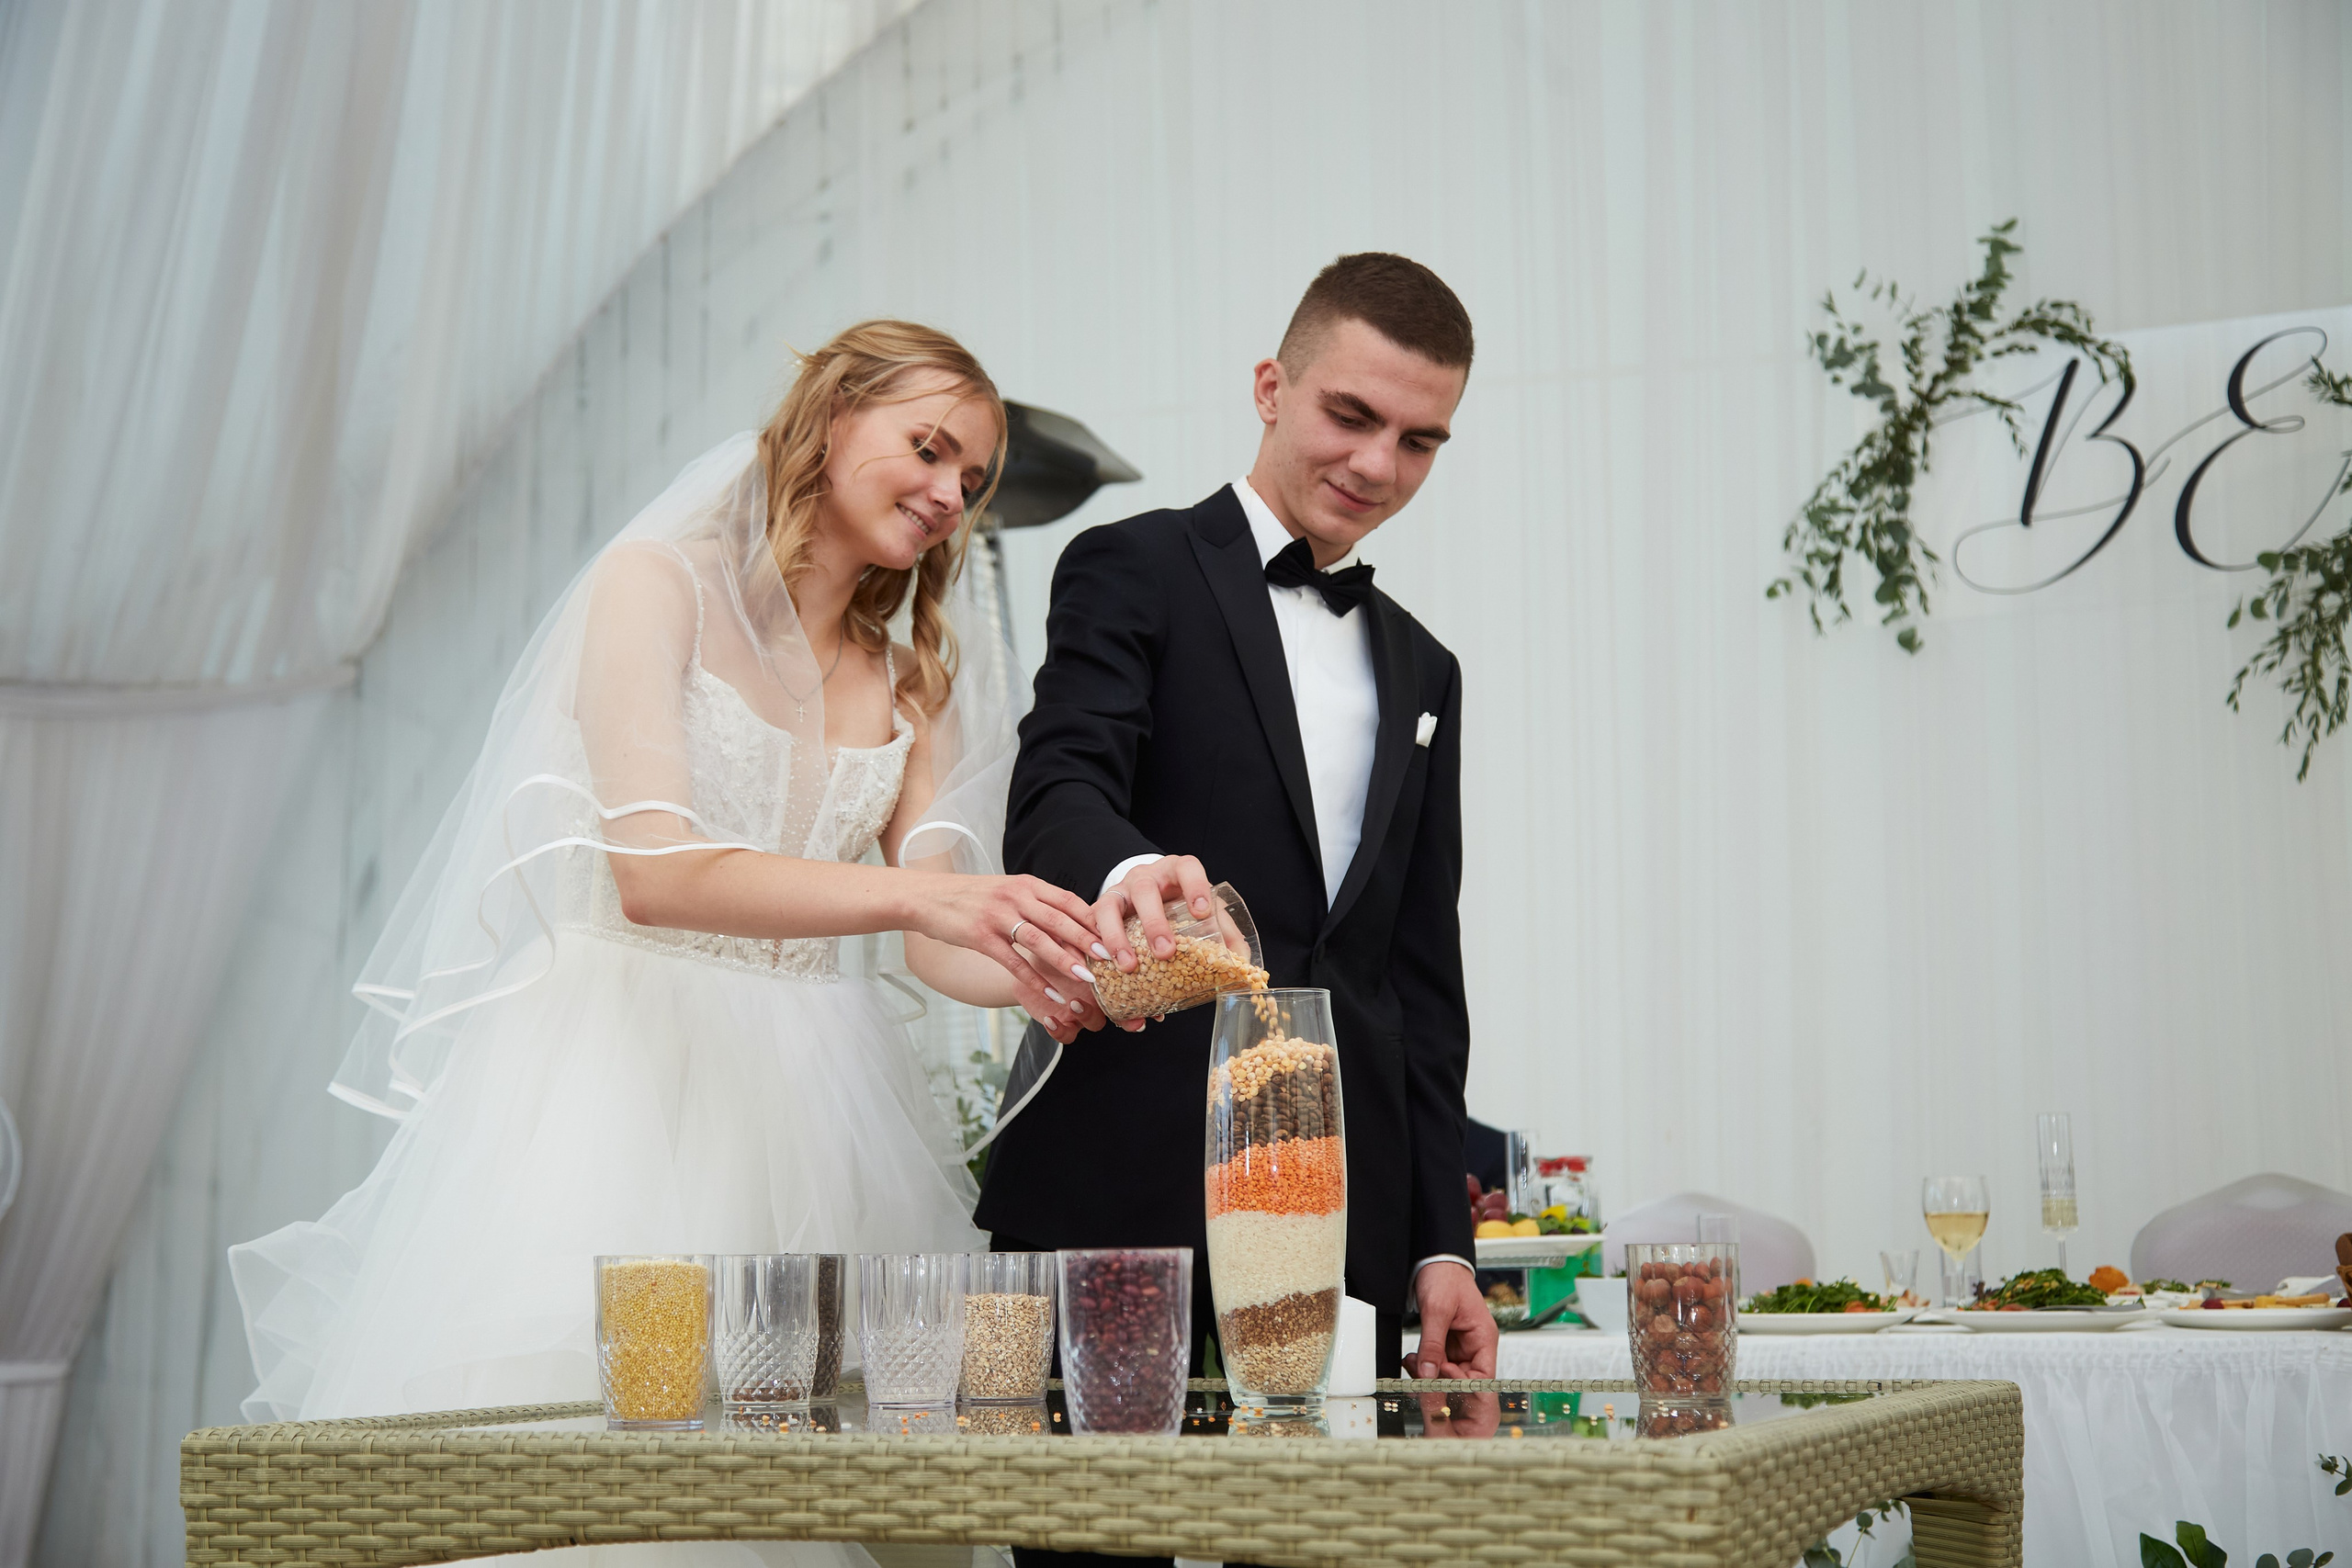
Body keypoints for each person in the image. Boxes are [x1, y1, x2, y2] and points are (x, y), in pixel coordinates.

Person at [232, 321, 1107, 1566]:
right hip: (617, 1078)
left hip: (819, 1111)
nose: (949, 494)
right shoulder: (656, 585)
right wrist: (925, 907)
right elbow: (656, 875)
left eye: (969, 478)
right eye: (927, 448)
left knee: (833, 1496)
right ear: (830, 418)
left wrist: (1060, 964)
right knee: (601, 1487)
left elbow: (943, 932)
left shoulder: (909, 671)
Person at [981, 254, 1497, 1478]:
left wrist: (1441, 1245)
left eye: (1421, 441)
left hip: (1345, 1230)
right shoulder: (1132, 568)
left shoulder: (1427, 670)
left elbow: (1419, 977)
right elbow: (1058, 791)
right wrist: (1138, 867)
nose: (1378, 465)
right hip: (1119, 1194)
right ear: (1272, 385)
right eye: (1352, 415)